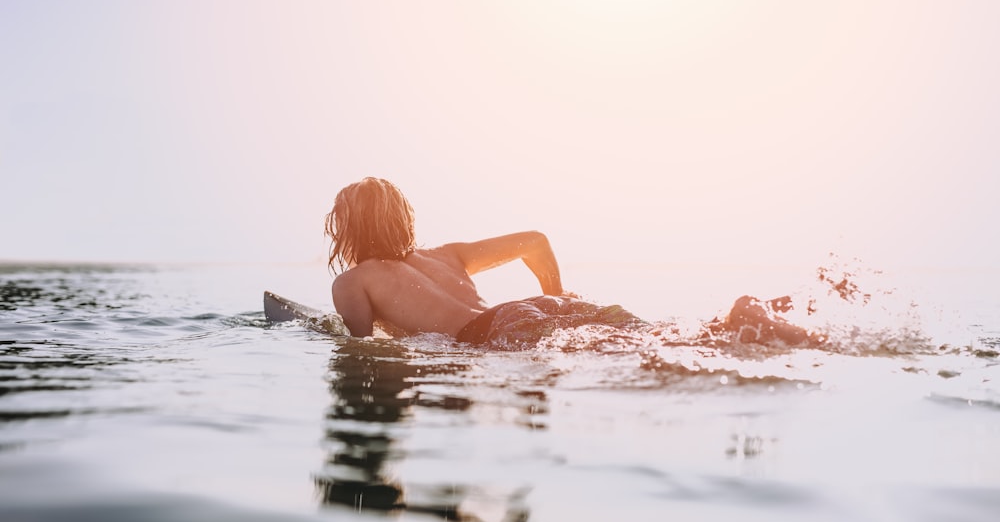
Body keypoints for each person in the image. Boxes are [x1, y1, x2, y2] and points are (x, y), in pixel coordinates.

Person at [324, 177, 823, 350]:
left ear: (348, 230)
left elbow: (364, 350)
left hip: (492, 333)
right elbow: (535, 241)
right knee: (646, 338)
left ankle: (736, 325)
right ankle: (736, 322)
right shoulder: (447, 256)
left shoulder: (353, 282)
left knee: (634, 355)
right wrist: (557, 295)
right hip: (534, 306)